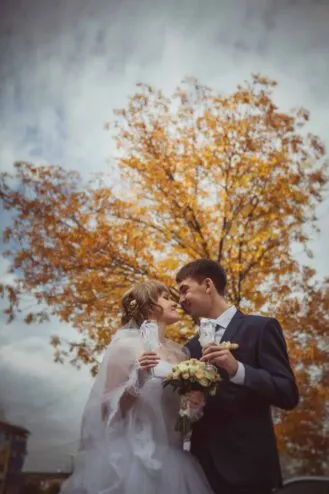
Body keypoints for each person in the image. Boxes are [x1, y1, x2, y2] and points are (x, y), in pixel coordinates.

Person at [60, 280, 213, 494]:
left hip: (174, 459)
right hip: (134, 460)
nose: (175, 302)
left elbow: (180, 420)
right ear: (149, 306)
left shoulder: (182, 355)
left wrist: (192, 408)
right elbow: (105, 410)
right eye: (166, 297)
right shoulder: (125, 348)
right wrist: (137, 382)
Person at [176, 259, 299, 494]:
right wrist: (188, 408)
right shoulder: (189, 348)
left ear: (208, 284)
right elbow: (186, 417)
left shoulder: (261, 328)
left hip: (249, 472)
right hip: (200, 473)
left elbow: (288, 393)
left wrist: (237, 370)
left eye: (184, 290)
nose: (181, 300)